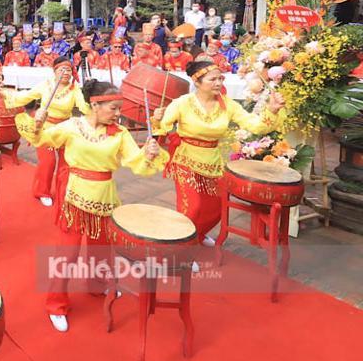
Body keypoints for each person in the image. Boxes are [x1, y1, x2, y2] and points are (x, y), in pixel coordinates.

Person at [33, 80, 164, 332]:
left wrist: (147, 154)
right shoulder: (72, 126)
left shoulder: (120, 133)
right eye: (113, 108)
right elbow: (43, 139)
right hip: (74, 196)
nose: (118, 114)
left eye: (119, 108)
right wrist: (38, 123)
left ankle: (97, 285)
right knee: (68, 254)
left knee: (101, 249)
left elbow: (136, 162)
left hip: (104, 198)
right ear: (95, 105)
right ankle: (56, 304)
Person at [152, 61, 283, 245]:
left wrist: (272, 110)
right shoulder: (182, 103)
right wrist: (157, 119)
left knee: (216, 208)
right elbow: (161, 128)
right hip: (186, 159)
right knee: (192, 207)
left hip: (212, 161)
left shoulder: (228, 105)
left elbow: (256, 126)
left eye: (220, 78)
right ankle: (181, 246)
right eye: (212, 79)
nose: (218, 83)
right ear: (197, 82)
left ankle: (197, 234)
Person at [9, 58, 89, 205]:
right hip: (45, 127)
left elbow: (83, 107)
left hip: (65, 129)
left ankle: (63, 192)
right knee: (48, 161)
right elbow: (27, 95)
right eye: (62, 70)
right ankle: (42, 191)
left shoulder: (75, 88)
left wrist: (92, 102)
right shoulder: (46, 85)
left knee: (67, 162)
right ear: (55, 71)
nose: (66, 73)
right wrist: (8, 96)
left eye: (68, 70)